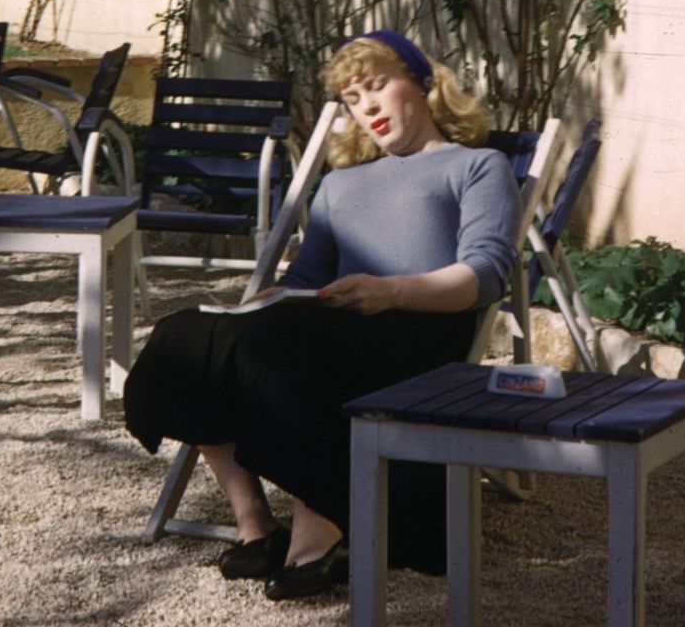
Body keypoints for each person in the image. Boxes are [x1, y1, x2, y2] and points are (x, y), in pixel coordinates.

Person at [123, 30, 522, 600]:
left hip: (416, 328)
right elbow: (306, 282)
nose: (369, 107)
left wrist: (393, 292)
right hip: (331, 325)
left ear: (425, 84)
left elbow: (483, 276)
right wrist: (268, 299)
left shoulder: (477, 166)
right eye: (355, 99)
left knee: (282, 350)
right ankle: (256, 524)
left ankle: (320, 529)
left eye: (378, 86)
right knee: (187, 333)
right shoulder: (340, 184)